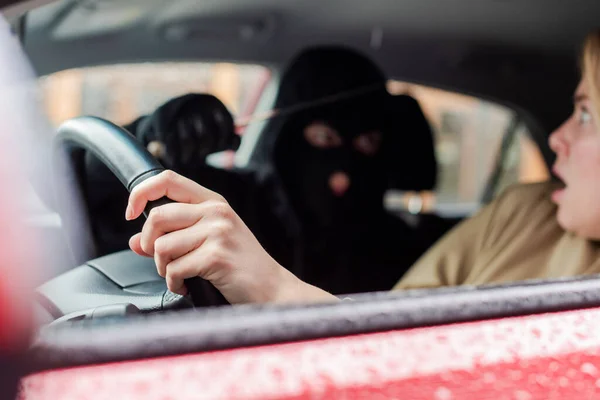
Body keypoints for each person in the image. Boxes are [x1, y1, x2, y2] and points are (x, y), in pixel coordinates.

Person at [124, 30, 600, 305]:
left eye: (585, 113)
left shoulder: (399, 243)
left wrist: (269, 284)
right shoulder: (522, 213)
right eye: (324, 140)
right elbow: (80, 190)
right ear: (287, 139)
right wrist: (148, 134)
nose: (342, 175)